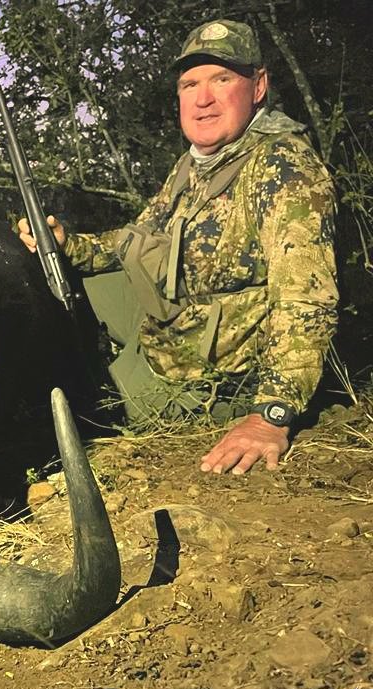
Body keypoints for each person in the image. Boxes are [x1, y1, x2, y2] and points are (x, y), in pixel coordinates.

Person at [18, 19, 338, 476]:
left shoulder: (285, 169)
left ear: (259, 86)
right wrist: (69, 244)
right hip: (170, 319)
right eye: (190, 84)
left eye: (222, 79)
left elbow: (306, 299)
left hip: (204, 375)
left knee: (81, 410)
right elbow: (135, 239)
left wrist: (271, 416)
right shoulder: (195, 164)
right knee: (46, 285)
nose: (202, 98)